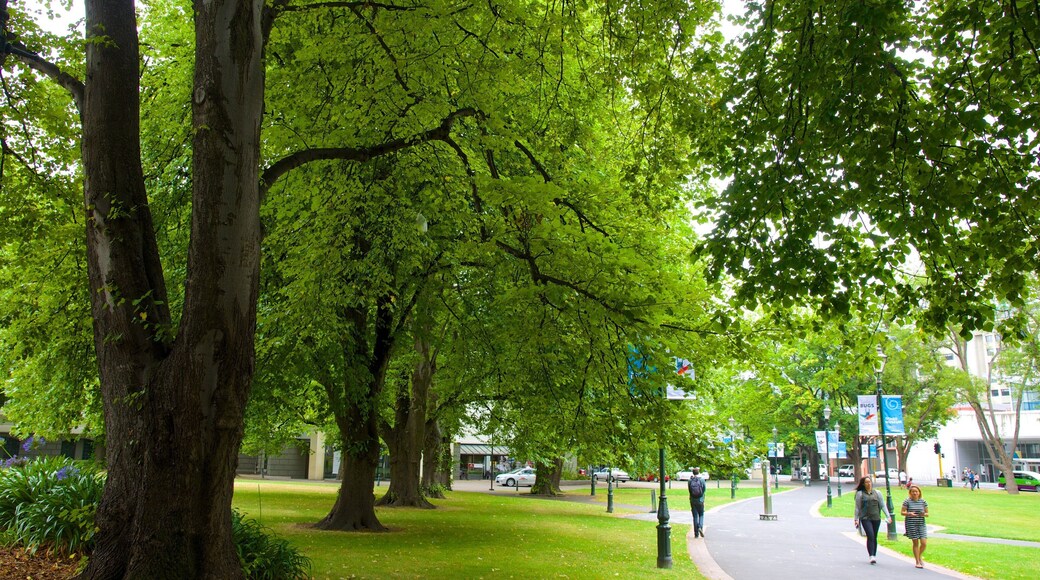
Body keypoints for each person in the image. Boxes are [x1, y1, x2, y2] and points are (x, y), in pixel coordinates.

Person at [854, 476, 893, 564]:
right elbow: (857, 507)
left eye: (870, 482)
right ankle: (871, 555)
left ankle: (874, 555)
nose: (868, 484)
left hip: (876, 517)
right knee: (870, 535)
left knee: (874, 536)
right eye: (866, 482)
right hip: (865, 518)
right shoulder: (860, 494)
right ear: (863, 484)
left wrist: (888, 516)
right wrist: (856, 519)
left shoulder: (877, 493)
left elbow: (882, 505)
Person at [901, 485, 929, 568]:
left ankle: (919, 556)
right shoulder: (907, 501)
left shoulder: (923, 501)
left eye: (916, 491)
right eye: (913, 492)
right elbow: (902, 512)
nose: (915, 493)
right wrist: (909, 513)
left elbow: (927, 514)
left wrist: (924, 514)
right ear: (910, 493)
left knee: (924, 543)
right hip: (911, 523)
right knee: (915, 542)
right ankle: (917, 561)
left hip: (921, 523)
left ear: (919, 492)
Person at [688, 467, 706, 538]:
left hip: (693, 500)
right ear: (698, 472)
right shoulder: (702, 480)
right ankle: (700, 527)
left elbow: (689, 490)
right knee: (701, 514)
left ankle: (696, 534)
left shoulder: (690, 480)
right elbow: (704, 489)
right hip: (700, 500)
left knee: (695, 516)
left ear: (693, 473)